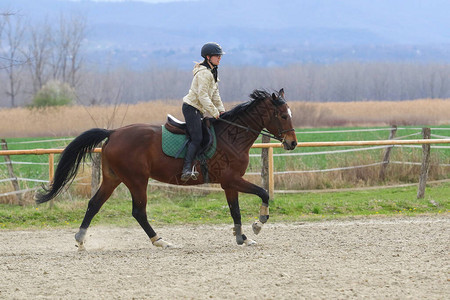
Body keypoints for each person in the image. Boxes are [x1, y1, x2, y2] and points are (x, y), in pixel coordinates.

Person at [181, 42, 226, 181]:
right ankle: (186, 168)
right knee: (197, 138)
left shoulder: (212, 73)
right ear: (208, 57)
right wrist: (214, 112)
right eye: (216, 56)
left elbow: (215, 95)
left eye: (220, 56)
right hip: (191, 108)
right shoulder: (204, 74)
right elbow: (202, 96)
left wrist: (222, 111)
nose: (219, 58)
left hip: (198, 109)